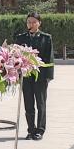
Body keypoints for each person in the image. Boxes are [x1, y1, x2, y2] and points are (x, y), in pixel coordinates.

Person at [14, 12, 55, 140]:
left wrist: (48, 77)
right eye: (29, 22)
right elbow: (15, 56)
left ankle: (40, 130)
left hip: (40, 76)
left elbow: (50, 58)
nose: (31, 24)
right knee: (28, 104)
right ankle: (31, 130)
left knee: (41, 104)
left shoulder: (46, 38)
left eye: (33, 22)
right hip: (26, 76)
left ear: (39, 23)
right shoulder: (21, 38)